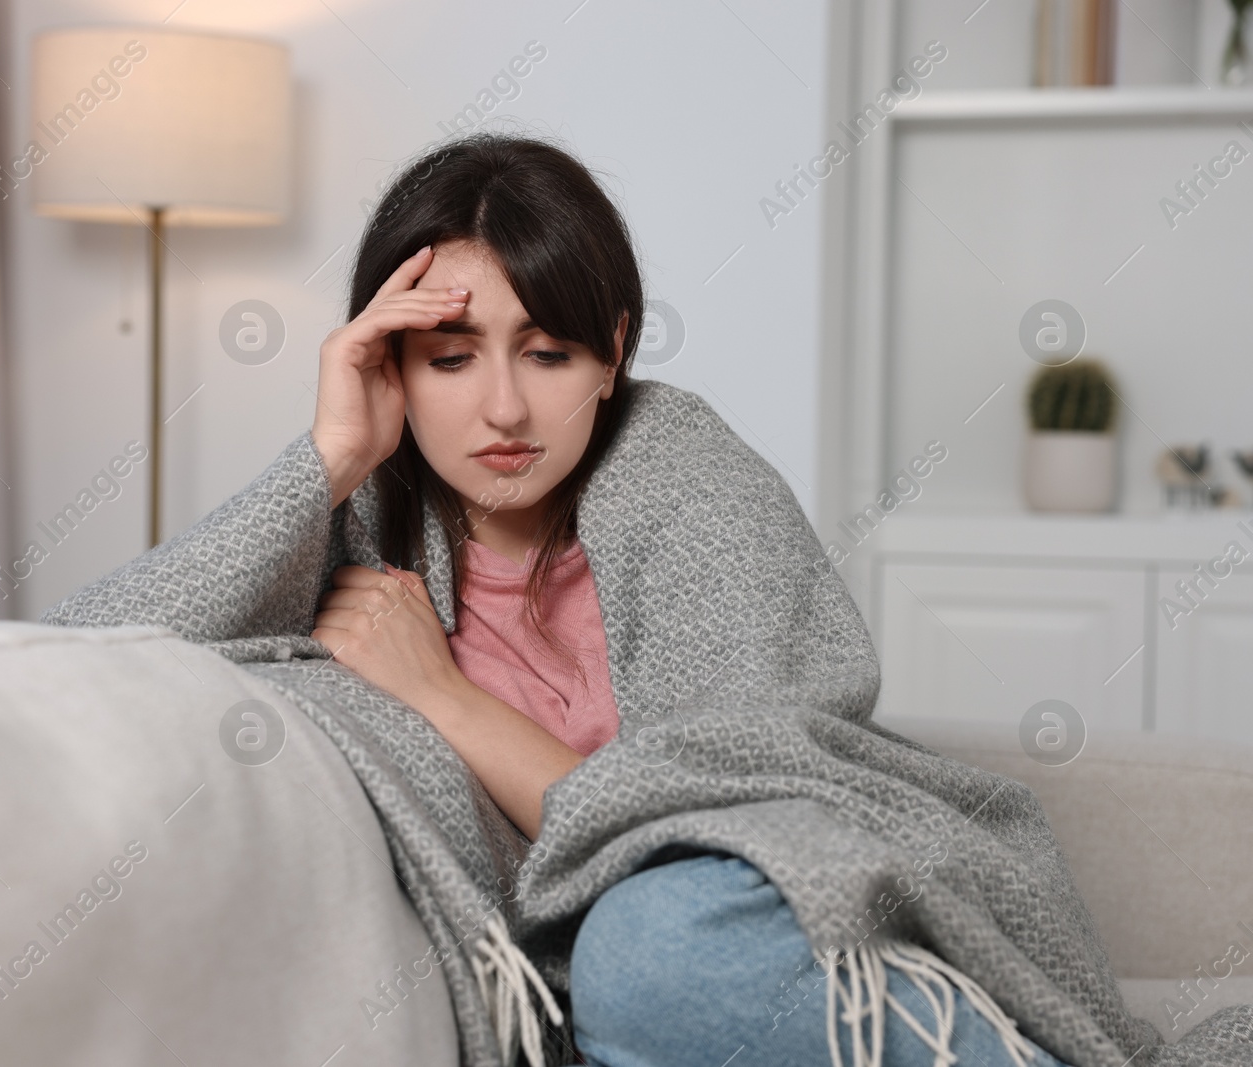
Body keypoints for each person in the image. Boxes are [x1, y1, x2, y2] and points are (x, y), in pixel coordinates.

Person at [291, 132, 1070, 1067]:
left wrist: (445, 698)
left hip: (765, 917)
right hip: (603, 1004)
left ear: (613, 351)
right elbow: (102, 655)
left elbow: (718, 821)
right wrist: (331, 457)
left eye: (547, 354)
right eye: (451, 359)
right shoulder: (361, 519)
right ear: (391, 365)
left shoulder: (692, 484)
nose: (504, 408)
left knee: (652, 948)